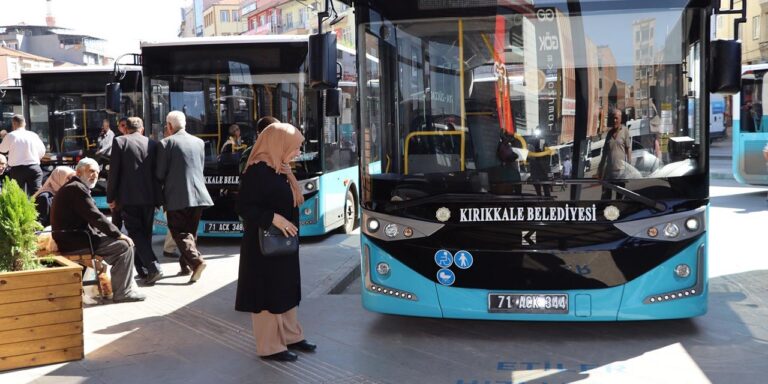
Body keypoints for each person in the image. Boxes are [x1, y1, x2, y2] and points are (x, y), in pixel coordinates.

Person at [236, 122, 316, 362]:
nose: (298, 152)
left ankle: (291, 336)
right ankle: (270, 346)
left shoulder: (278, 168)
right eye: (295, 146)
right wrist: (273, 218)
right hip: (264, 246)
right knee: (266, 294)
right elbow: (243, 207)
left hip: (282, 243)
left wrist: (288, 172)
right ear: (278, 144)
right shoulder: (258, 171)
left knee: (285, 289)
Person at [51, 157, 145, 303]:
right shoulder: (76, 189)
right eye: (91, 171)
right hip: (76, 241)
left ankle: (119, 287)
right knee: (125, 246)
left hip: (74, 239)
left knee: (119, 243)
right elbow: (96, 217)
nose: (95, 175)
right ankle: (123, 292)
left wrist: (112, 234)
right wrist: (119, 234)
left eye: (97, 172)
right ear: (78, 172)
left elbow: (92, 218)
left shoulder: (75, 187)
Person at [156, 111, 213, 283]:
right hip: (199, 194)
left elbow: (160, 173)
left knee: (179, 232)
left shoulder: (166, 143)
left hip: (177, 195)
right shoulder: (199, 142)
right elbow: (200, 167)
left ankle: (196, 262)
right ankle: (186, 266)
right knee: (190, 233)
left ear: (169, 126)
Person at [108, 117, 164, 285]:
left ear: (127, 128)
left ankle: (153, 267)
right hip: (149, 197)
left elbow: (114, 173)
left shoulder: (120, 141)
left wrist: (110, 197)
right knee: (144, 233)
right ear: (142, 129)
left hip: (128, 197)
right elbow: (157, 173)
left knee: (135, 232)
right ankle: (144, 270)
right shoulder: (153, 144)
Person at [0, 115, 46, 196]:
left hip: (17, 170)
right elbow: (42, 151)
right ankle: (39, 209)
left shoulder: (11, 135)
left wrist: (4, 137)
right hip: (34, 168)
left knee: (16, 197)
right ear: (24, 123)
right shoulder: (33, 135)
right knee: (37, 195)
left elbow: (2, 149)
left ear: (13, 124)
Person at [597, 110, 632, 200]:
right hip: (609, 174)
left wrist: (629, 166)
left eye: (616, 118)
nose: (614, 120)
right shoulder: (609, 134)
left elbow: (628, 149)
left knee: (619, 199)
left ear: (620, 119)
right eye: (613, 118)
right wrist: (600, 170)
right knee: (606, 198)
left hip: (620, 173)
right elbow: (604, 153)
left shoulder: (625, 131)